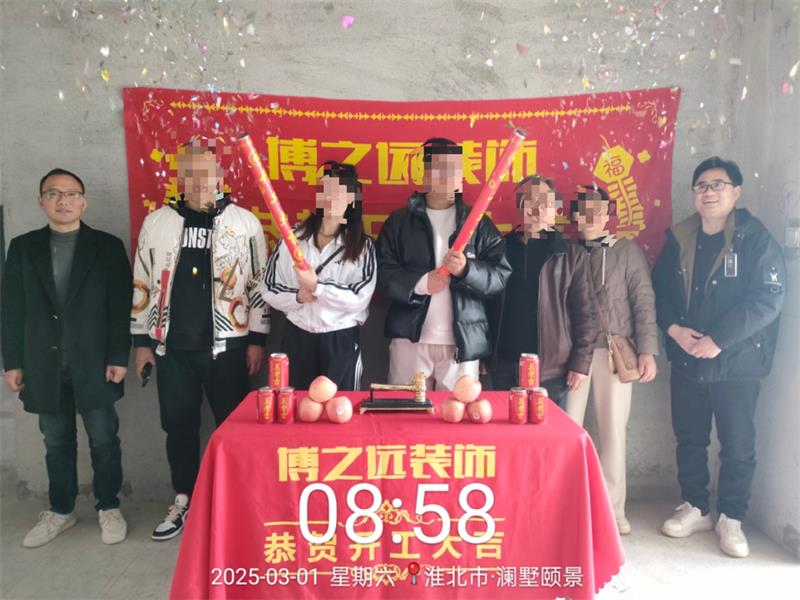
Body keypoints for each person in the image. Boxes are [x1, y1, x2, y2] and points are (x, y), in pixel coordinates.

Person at [131, 139, 269, 541]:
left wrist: (257, 338)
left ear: (220, 176)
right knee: (179, 427)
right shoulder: (158, 222)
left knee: (234, 429)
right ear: (179, 176)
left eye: (206, 172)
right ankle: (184, 499)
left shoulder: (244, 222)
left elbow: (258, 283)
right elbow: (142, 280)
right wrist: (142, 341)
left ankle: (236, 502)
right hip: (171, 349)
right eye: (189, 172)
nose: (198, 181)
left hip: (229, 347)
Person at [652, 157, 785, 558]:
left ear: (736, 191)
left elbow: (768, 299)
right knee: (689, 437)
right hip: (688, 358)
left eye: (717, 185)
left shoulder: (755, 239)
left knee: (738, 442)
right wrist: (673, 330)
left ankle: (731, 517)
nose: (708, 193)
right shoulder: (680, 239)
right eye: (701, 186)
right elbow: (659, 291)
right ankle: (695, 506)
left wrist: (719, 340)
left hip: (737, 362)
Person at [1, 168, 132, 547]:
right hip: (43, 364)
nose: (63, 201)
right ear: (41, 201)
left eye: (71, 194)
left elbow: (120, 305)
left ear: (83, 202)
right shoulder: (23, 248)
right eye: (53, 193)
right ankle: (61, 510)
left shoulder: (107, 247)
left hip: (96, 362)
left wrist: (118, 355)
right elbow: (11, 308)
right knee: (56, 441)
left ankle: (108, 506)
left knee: (104, 439)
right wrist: (13, 362)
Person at [376, 137, 511, 390]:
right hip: (409, 339)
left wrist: (467, 270)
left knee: (455, 411)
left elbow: (499, 276)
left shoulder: (478, 223)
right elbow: (383, 272)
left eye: (453, 169)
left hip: (462, 340)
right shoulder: (399, 222)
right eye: (438, 169)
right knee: (404, 409)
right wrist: (422, 283)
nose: (446, 177)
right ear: (424, 174)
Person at [565, 184, 659, 535]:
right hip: (573, 353)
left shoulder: (626, 251)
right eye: (583, 209)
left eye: (598, 209)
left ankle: (612, 511)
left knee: (612, 431)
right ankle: (568, 505)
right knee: (567, 429)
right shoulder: (566, 252)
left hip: (614, 352)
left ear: (608, 214)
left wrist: (647, 350)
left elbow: (644, 300)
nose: (590, 216)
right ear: (575, 216)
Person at [261, 161, 376, 390]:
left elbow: (360, 297)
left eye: (340, 191)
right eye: (326, 190)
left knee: (339, 406)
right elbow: (269, 288)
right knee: (295, 405)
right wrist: (298, 297)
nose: (332, 197)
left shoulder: (363, 246)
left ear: (351, 198)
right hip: (297, 337)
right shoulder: (293, 239)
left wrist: (318, 287)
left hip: (340, 339)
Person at [488, 176, 595, 407]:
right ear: (520, 207)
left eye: (545, 201)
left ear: (555, 208)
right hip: (505, 363)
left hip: (552, 369)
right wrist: (485, 355)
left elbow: (586, 312)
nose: (537, 208)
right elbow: (488, 306)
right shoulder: (499, 249)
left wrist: (581, 362)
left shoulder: (571, 255)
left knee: (547, 429)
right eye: (530, 201)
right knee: (506, 428)